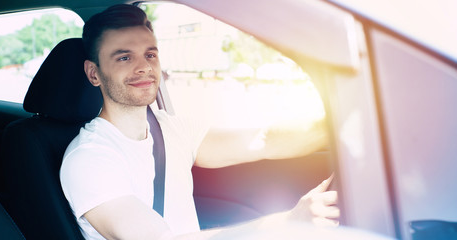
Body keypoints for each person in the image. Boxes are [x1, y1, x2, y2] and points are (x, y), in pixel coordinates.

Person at [60, 4, 339, 240]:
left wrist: (343, 126)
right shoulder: (88, 159)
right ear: (94, 73)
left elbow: (263, 140)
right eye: (124, 57)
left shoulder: (170, 128)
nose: (144, 66)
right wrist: (290, 222)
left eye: (150, 54)